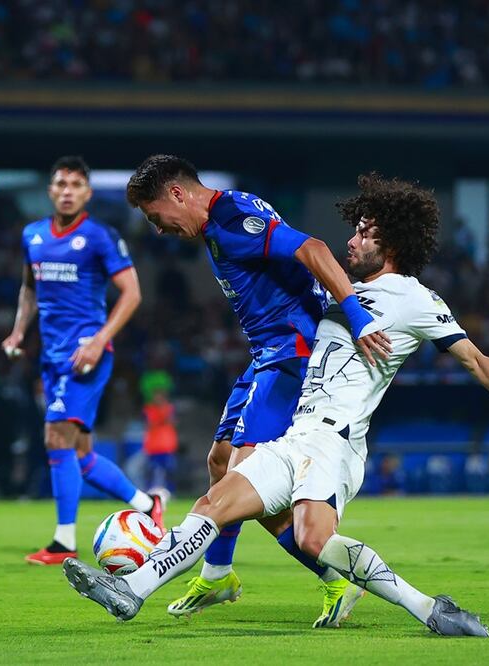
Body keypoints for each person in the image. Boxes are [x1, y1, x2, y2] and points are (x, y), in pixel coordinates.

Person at [64, 173, 489, 635]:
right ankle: (130, 589)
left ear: (393, 244)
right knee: (214, 500)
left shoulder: (415, 300)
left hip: (335, 441)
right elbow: (298, 275)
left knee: (313, 539)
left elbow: (473, 358)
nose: (352, 241)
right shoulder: (339, 293)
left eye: (364, 234)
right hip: (296, 433)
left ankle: (428, 609)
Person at [125, 155, 392, 625]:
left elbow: (311, 248)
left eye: (156, 218)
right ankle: (218, 573)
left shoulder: (231, 221)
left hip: (292, 355)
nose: (160, 230)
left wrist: (355, 312)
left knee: (240, 480)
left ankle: (335, 579)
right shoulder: (223, 218)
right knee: (219, 459)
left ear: (178, 194)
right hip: (267, 354)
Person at [2, 156, 163, 565]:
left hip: (85, 357)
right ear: (51, 190)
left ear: (87, 192)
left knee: (56, 438)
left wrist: (99, 340)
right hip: (52, 357)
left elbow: (132, 293)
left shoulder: (99, 236)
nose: (68, 191)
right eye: (61, 184)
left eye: (76, 185)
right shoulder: (33, 235)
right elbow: (28, 289)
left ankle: (63, 542)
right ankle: (147, 506)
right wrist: (19, 330)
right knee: (82, 457)